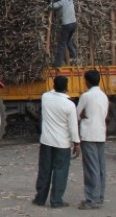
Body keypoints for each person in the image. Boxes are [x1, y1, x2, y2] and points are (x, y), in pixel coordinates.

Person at [33, 76, 80, 208]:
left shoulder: (45, 97)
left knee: (44, 170)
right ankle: (56, 200)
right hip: (62, 143)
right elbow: (73, 126)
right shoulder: (69, 105)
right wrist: (76, 143)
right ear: (66, 87)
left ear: (53, 85)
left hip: (46, 141)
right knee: (60, 171)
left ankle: (40, 198)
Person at [76, 70, 109, 210]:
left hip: (88, 134)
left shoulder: (86, 96)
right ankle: (99, 197)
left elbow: (76, 114)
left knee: (91, 169)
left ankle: (91, 199)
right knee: (101, 168)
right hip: (101, 133)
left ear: (87, 81)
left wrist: (83, 116)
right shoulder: (104, 96)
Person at [50, 0, 77, 67]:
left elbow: (52, 6)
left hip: (67, 25)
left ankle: (58, 63)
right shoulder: (71, 0)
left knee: (61, 44)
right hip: (74, 24)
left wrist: (49, 1)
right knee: (68, 40)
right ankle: (73, 54)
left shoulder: (63, 1)